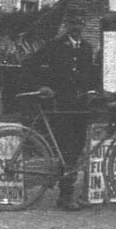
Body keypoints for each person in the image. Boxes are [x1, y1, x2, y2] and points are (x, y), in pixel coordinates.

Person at [23, 20, 98, 210]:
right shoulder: (54, 47)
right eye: (74, 24)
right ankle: (66, 195)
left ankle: (68, 192)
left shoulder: (87, 48)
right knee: (67, 149)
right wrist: (41, 86)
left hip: (80, 106)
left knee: (78, 147)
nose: (77, 28)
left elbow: (89, 75)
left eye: (80, 24)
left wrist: (94, 90)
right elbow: (28, 64)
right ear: (66, 26)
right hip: (60, 105)